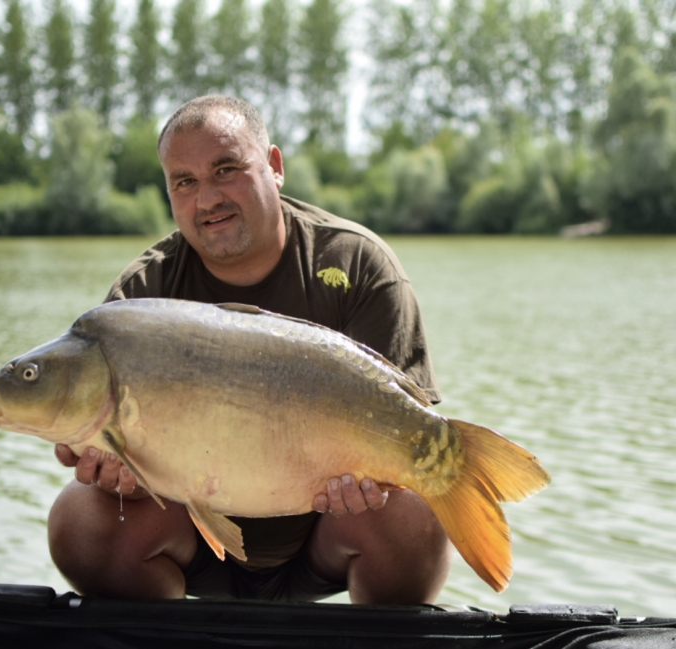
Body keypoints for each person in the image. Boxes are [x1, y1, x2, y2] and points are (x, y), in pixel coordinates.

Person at [48, 95, 451, 605]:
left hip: (328, 534)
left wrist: (377, 481)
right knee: (79, 518)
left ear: (275, 167)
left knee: (415, 510)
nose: (207, 198)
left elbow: (407, 428)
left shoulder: (359, 265)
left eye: (226, 169)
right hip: (188, 537)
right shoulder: (143, 295)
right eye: (185, 182)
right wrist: (117, 471)